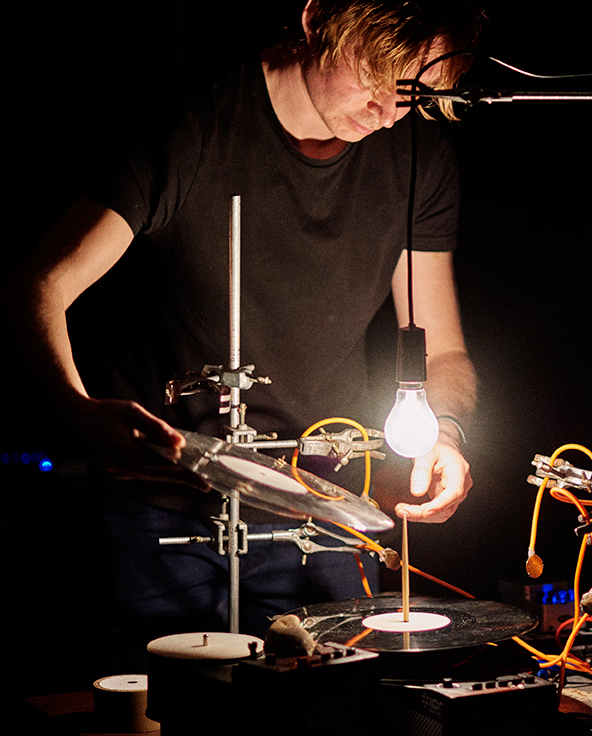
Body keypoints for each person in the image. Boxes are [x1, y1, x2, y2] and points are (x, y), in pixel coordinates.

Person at [2, 0, 482, 660]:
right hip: (162, 511)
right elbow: (37, 288)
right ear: (317, 20)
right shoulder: (191, 125)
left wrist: (446, 434)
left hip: (323, 510)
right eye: (374, 75)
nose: (388, 111)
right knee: (165, 704)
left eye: (411, 94)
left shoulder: (416, 157)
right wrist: (74, 411)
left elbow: (443, 351)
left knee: (332, 702)